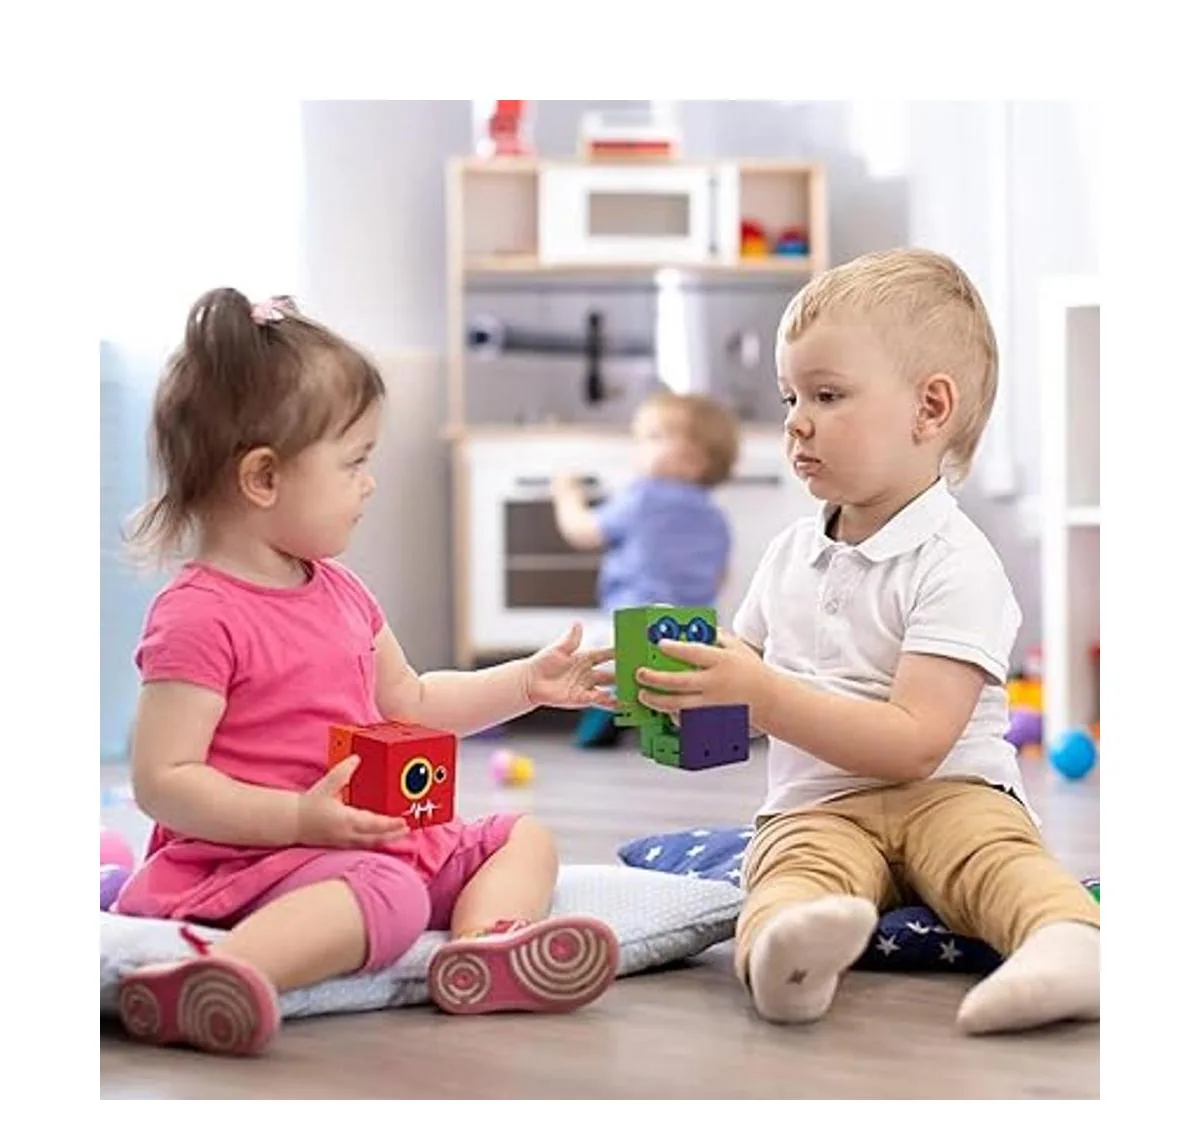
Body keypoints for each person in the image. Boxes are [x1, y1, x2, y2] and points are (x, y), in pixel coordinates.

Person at [111, 289, 622, 1056]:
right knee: (389, 896)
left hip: (366, 837)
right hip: (252, 858)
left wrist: (524, 684)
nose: (370, 483)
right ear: (263, 478)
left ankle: (483, 950)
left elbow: (411, 699)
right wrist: (297, 820)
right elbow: (164, 780)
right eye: (354, 462)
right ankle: (220, 974)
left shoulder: (341, 591)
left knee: (520, 836)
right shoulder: (200, 615)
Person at [632, 249, 1100, 1035]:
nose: (796, 420)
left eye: (827, 395)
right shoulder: (789, 554)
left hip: (951, 792)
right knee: (789, 870)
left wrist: (763, 694)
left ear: (930, 409)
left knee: (994, 862)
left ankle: (1067, 945)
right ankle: (786, 955)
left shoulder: (958, 563)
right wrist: (685, 694)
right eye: (790, 396)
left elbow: (917, 744)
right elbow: (745, 692)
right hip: (821, 805)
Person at [551, 390, 738, 747]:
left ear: (693, 461)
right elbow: (720, 577)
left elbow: (583, 531)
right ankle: (677, 720)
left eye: (652, 438)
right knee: (680, 683)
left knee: (583, 654)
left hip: (631, 628)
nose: (637, 447)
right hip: (692, 633)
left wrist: (566, 495)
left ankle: (606, 706)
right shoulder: (716, 517)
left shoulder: (642, 497)